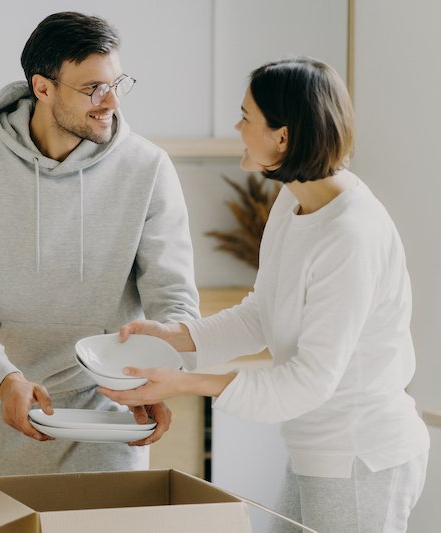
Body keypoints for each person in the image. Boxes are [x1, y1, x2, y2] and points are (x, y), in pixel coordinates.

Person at [100, 57, 430, 532]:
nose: (237, 126)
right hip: (316, 448)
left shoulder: (351, 235)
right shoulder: (293, 202)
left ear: (283, 136)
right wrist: (177, 336)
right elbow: (262, 313)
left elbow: (308, 381)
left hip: (360, 457)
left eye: (246, 117)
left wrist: (187, 384)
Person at [0, 11, 199, 476]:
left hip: (115, 412)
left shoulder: (148, 168)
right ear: (42, 87)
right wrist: (4, 379)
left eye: (118, 83)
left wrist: (159, 378)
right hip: (13, 410)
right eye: (93, 88)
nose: (111, 101)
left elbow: (173, 299)